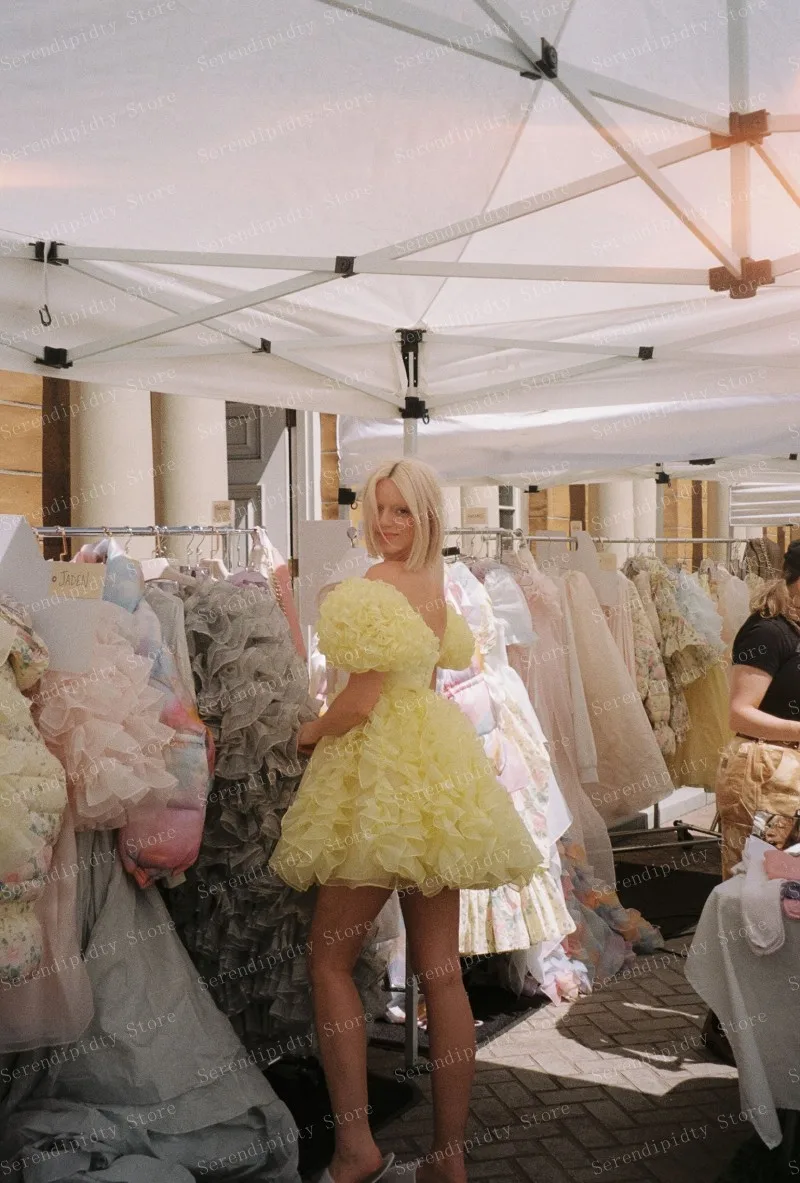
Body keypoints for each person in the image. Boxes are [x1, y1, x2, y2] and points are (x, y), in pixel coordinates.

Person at [270, 458, 541, 1183]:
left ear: (426, 517)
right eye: (378, 509)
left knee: (329, 959)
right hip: (436, 765)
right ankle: (448, 1157)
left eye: (401, 512)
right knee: (442, 971)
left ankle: (356, 1147)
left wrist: (303, 734)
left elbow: (358, 702)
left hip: (375, 772)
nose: (386, 523)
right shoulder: (436, 586)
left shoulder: (373, 587)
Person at [716, 540, 800, 880]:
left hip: (787, 771)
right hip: (765, 773)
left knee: (785, 881)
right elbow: (740, 712)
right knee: (760, 879)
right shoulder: (766, 630)